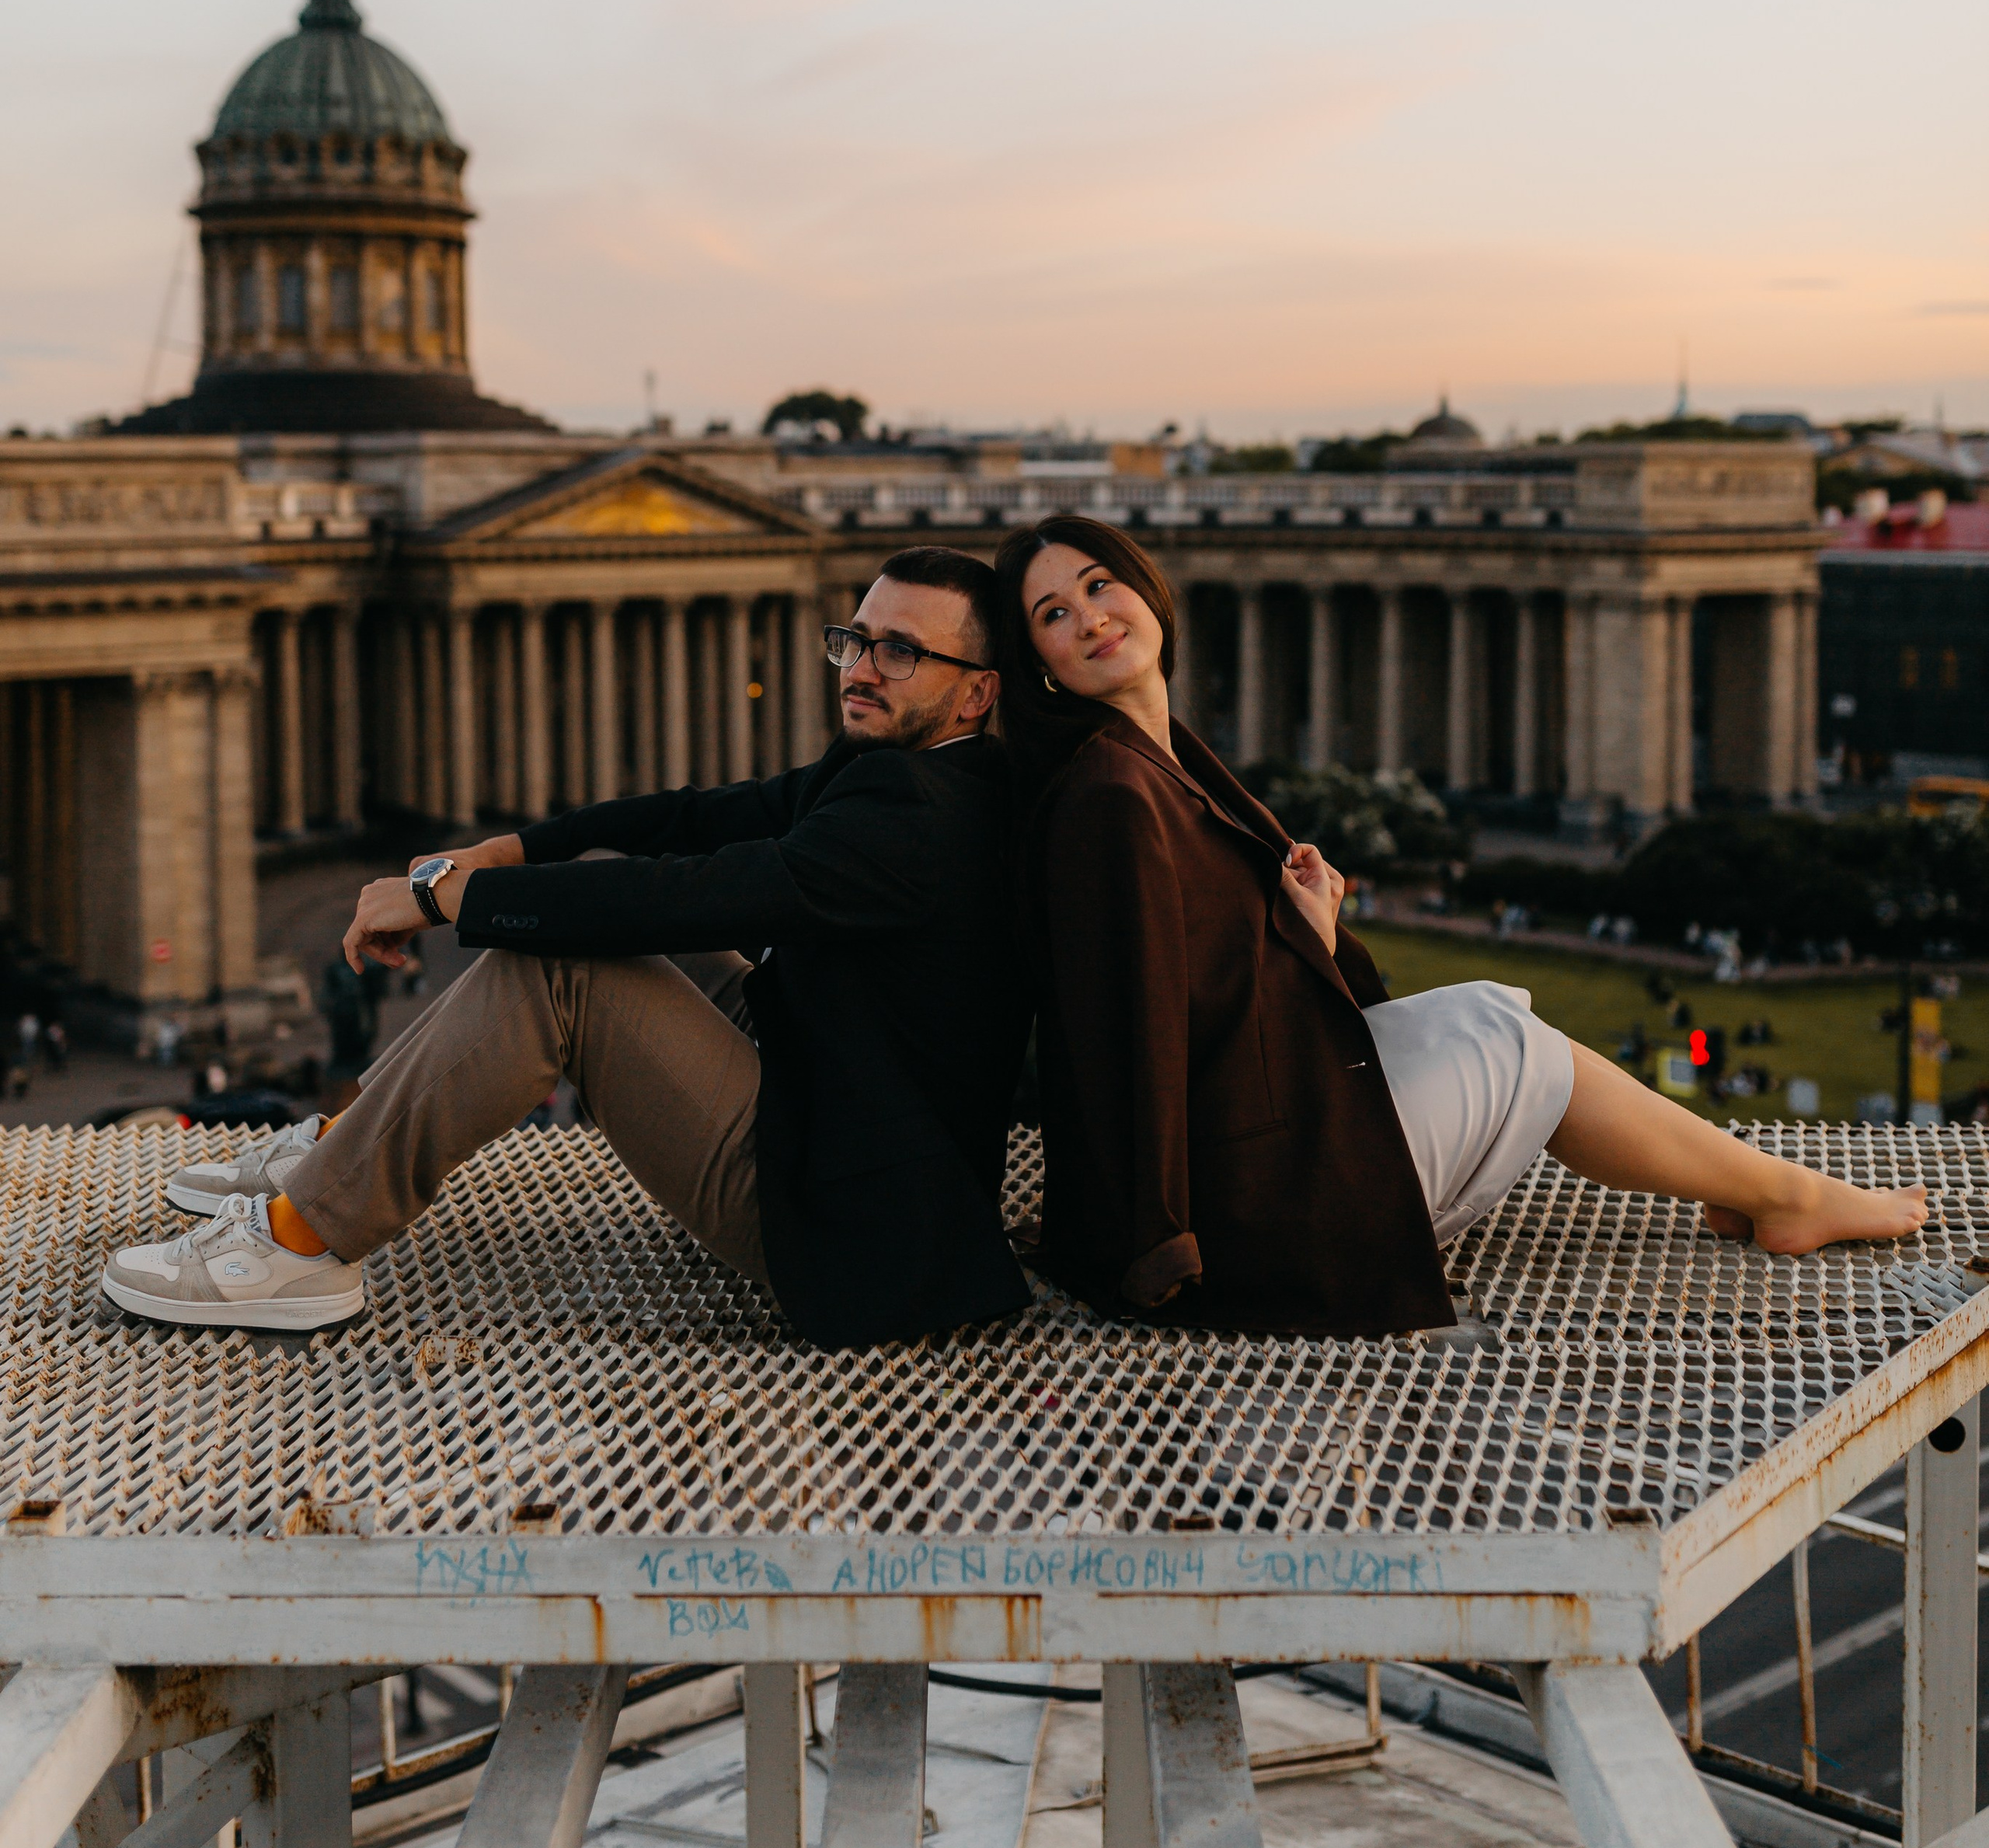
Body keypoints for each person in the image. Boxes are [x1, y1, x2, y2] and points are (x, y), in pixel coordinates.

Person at [991, 516, 1926, 1340]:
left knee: (1486, 1008)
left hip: (1246, 1135)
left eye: (1098, 585)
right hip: (1246, 1209)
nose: (1089, 617)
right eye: (1053, 615)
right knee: (1519, 1046)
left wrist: (1300, 927)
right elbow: (1140, 1036)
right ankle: (1788, 1197)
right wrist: (1157, 1252)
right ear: (1040, 664)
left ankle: (1762, 1191)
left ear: (1146, 590)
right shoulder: (1110, 794)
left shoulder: (1145, 761)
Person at [103, 548, 1033, 1347]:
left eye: (902, 652)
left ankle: (305, 1242)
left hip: (842, 1218)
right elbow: (693, 819)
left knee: (560, 961)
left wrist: (451, 896)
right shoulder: (904, 769)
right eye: (857, 640)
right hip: (833, 1089)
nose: (863, 668)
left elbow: (689, 899)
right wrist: (508, 852)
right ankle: (348, 1144)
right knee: (594, 905)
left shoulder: (919, 815)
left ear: (976, 693)